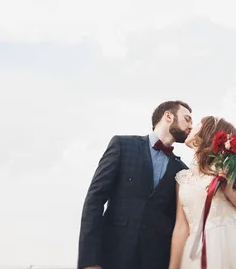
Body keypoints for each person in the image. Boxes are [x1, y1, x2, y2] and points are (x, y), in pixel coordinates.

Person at [77, 100, 193, 269]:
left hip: (157, 260)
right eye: (187, 119)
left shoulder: (182, 171)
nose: (191, 125)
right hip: (113, 256)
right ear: (168, 116)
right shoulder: (122, 146)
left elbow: (179, 223)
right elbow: (94, 200)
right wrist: (90, 261)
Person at [169, 116, 236, 269]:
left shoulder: (228, 167)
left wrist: (230, 192)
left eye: (198, 124)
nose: (192, 126)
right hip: (195, 253)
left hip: (229, 245)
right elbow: (181, 227)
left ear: (208, 132)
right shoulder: (182, 178)